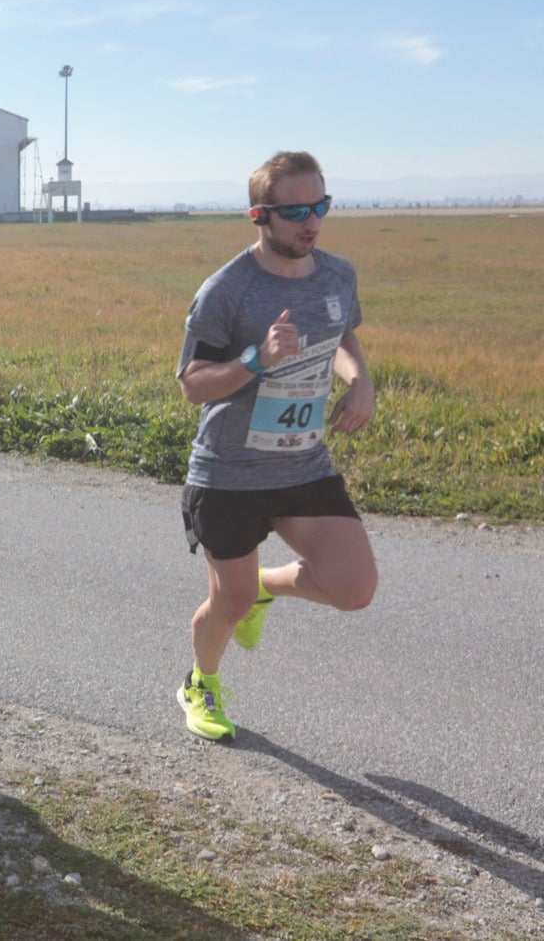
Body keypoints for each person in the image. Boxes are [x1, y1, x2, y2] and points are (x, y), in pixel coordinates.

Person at [175, 150, 378, 743]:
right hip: (229, 473)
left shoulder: (337, 275)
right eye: (295, 212)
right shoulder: (226, 290)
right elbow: (191, 384)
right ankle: (199, 683)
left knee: (354, 588)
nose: (311, 222)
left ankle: (268, 585)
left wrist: (360, 382)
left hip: (303, 463)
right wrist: (256, 359)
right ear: (259, 215)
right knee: (229, 602)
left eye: (321, 206)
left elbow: (342, 338)